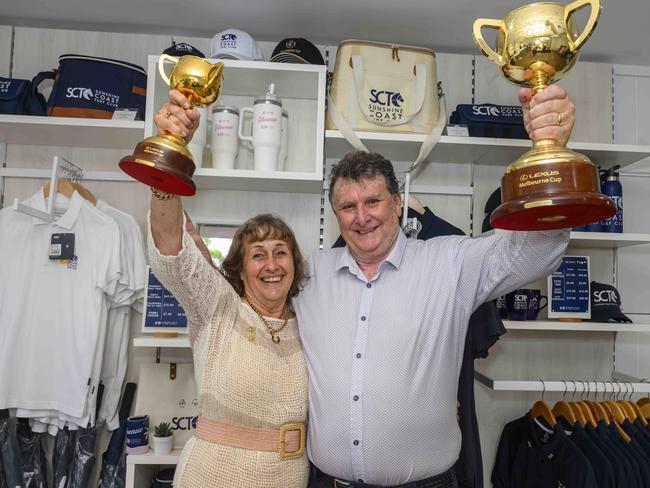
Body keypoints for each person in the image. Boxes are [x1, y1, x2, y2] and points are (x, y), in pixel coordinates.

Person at [156, 83, 576, 488]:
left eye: (373, 201)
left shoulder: (449, 262)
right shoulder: (309, 276)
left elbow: (534, 253)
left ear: (397, 202)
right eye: (347, 206)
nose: (362, 217)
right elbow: (226, 291)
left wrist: (551, 154)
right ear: (335, 215)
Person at [149, 187, 310, 484]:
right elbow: (174, 254)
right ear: (239, 270)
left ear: (294, 263)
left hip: (289, 478)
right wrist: (166, 175)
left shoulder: (310, 323)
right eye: (258, 255)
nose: (272, 265)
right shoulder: (219, 308)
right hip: (215, 475)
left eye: (280, 253)